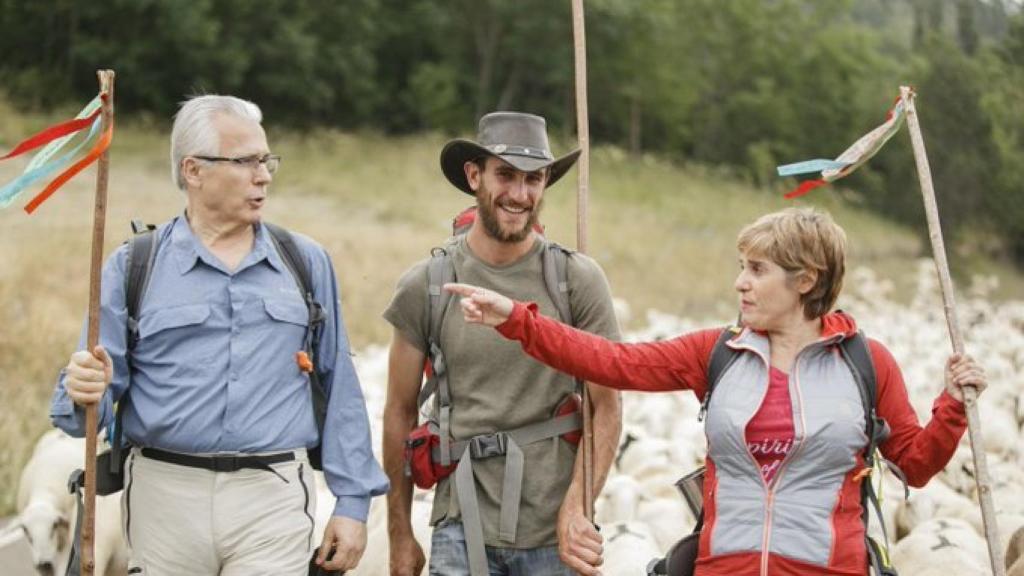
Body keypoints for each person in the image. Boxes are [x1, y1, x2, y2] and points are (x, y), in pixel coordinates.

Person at [446, 207, 988, 575]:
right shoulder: (718, 352)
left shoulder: (866, 364)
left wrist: (953, 408)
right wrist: (517, 319)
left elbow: (914, 465)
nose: (740, 283)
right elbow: (612, 362)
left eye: (757, 270)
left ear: (805, 280)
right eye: (741, 268)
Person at [51, 94, 388, 575]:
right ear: (193, 170)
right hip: (164, 496)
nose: (264, 174)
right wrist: (83, 389)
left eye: (266, 160)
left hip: (272, 495)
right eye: (246, 161)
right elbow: (90, 404)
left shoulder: (305, 262)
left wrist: (353, 503)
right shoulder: (133, 267)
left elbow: (339, 386)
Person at [382, 112, 622, 576]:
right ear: (475, 176)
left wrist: (579, 505)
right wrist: (398, 532)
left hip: (555, 530)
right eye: (505, 176)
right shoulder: (427, 285)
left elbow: (606, 406)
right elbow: (398, 411)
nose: (519, 194)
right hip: (460, 522)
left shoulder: (576, 280)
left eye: (533, 179)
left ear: (546, 181)